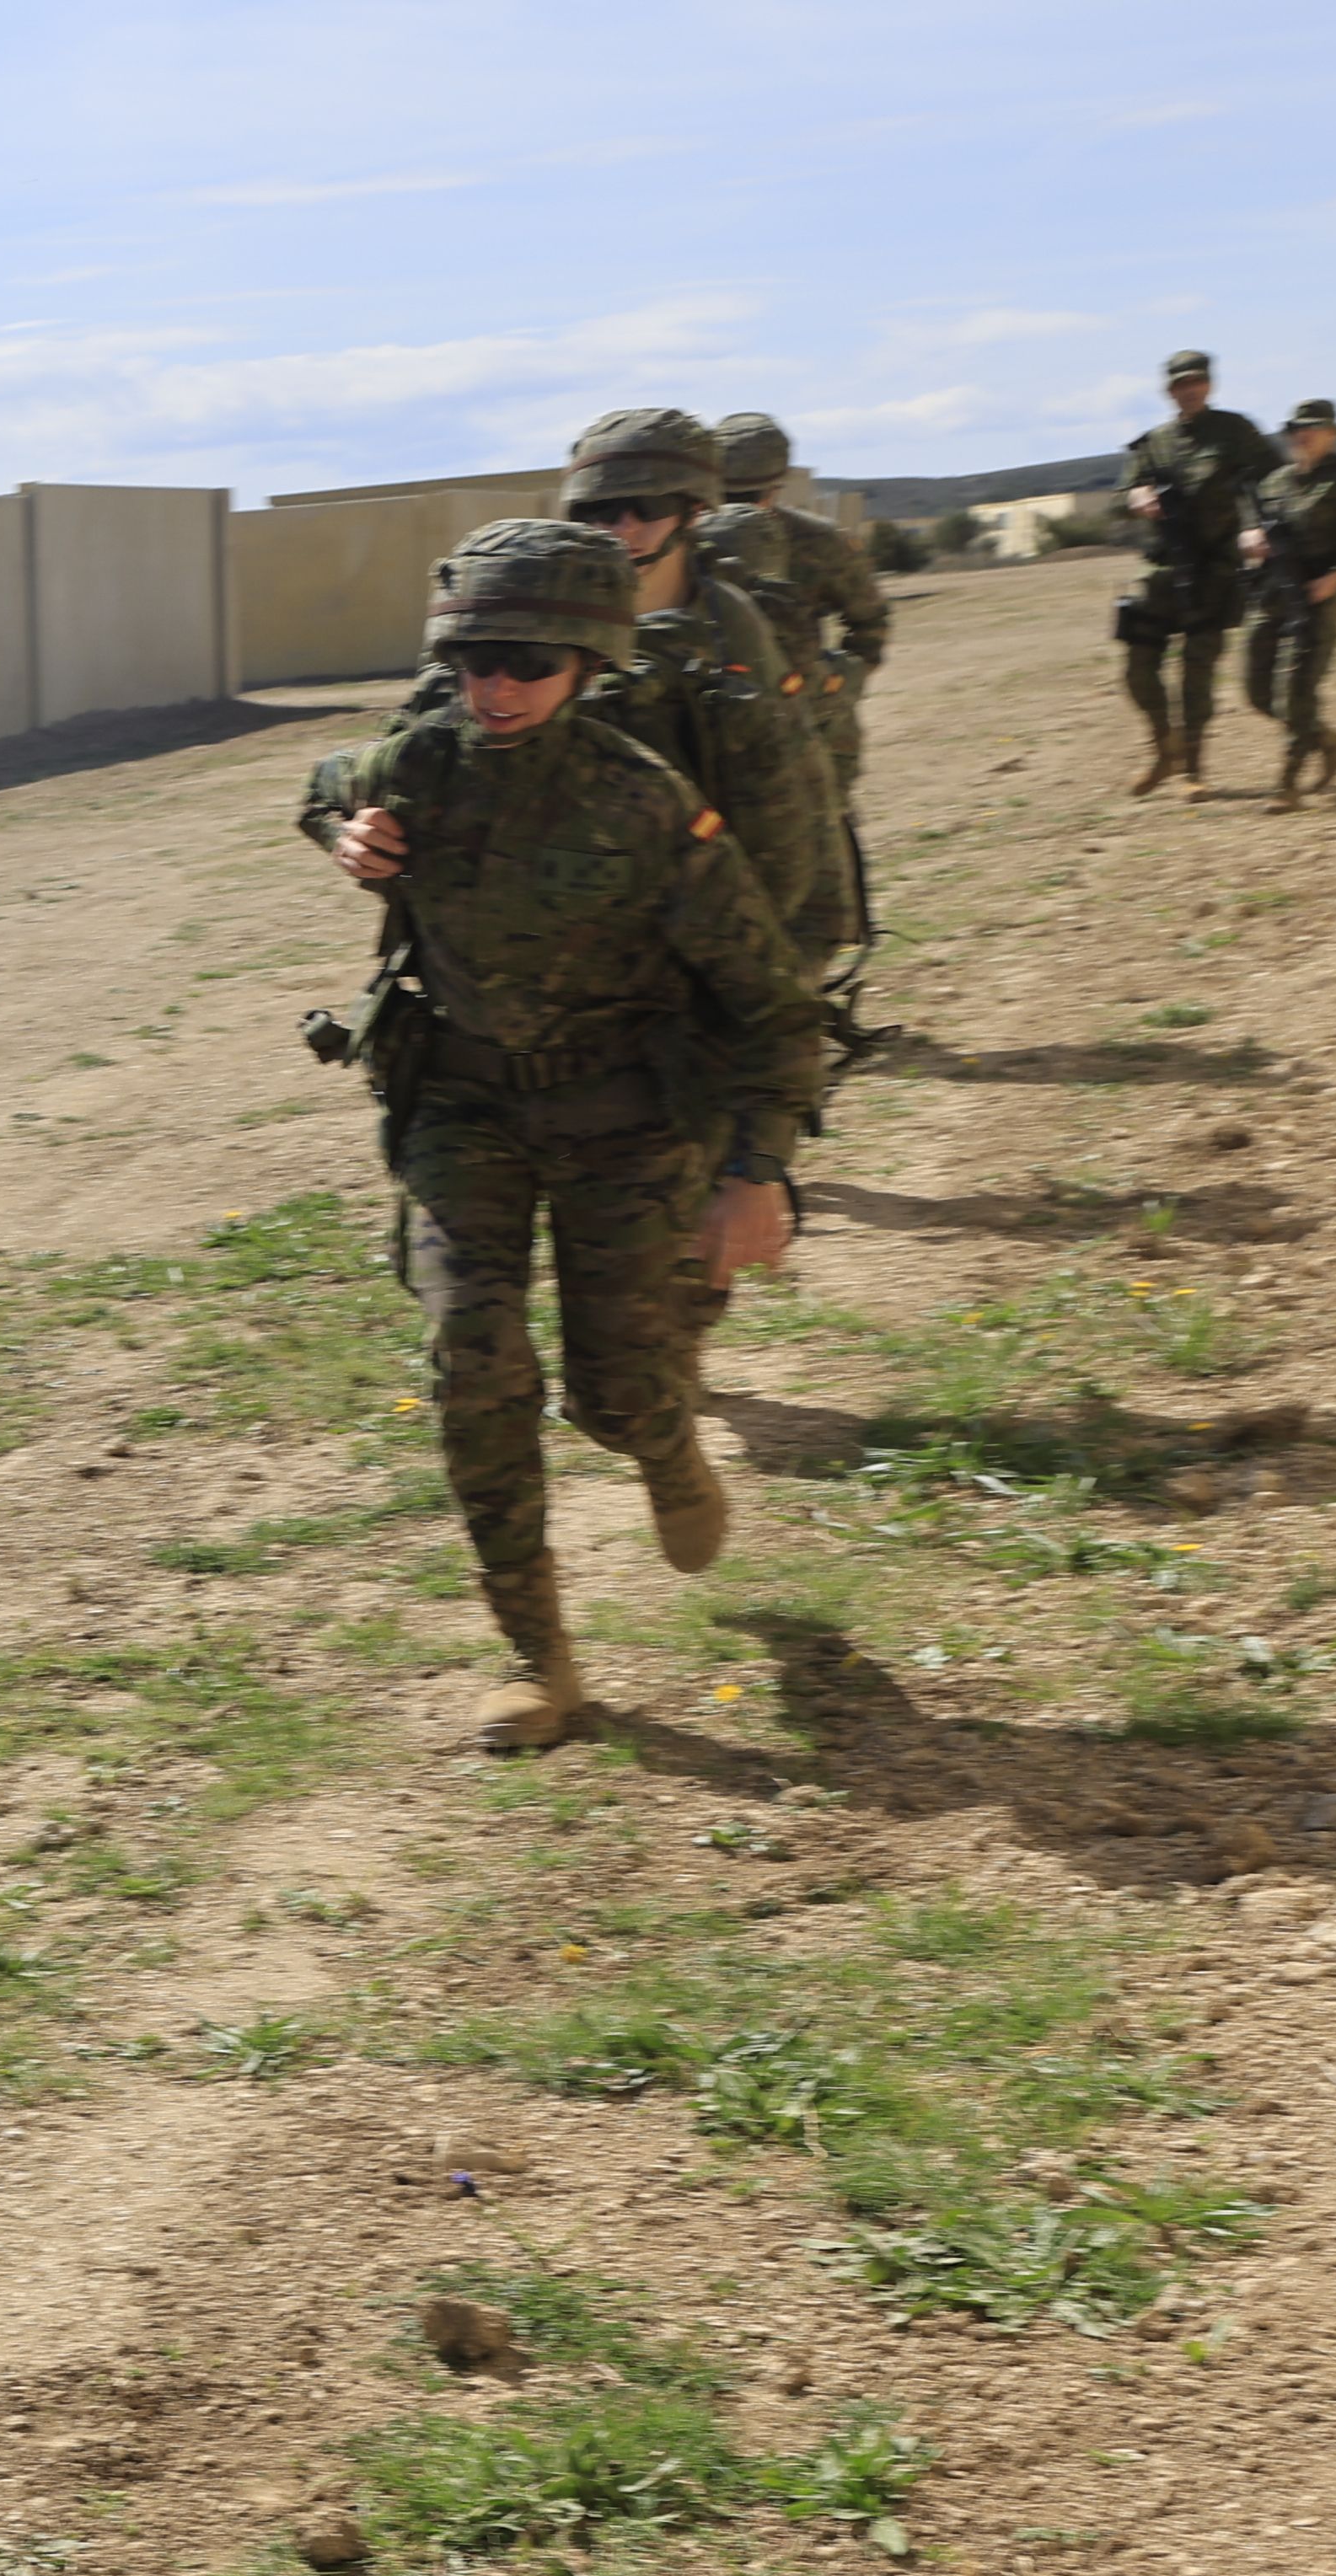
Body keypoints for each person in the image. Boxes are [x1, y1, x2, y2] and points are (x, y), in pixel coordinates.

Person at [300, 522, 832, 1753]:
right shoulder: (423, 762)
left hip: (625, 1123)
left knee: (613, 1392)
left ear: (590, 663)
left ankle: (665, 1446)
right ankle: (542, 1660)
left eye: (529, 662)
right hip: (463, 1109)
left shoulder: (649, 805)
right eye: (476, 656)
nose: (497, 686)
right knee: (471, 1358)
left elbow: (772, 1005)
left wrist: (754, 1171)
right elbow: (331, 778)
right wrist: (341, 828)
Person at [532, 409, 854, 972]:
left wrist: (802, 960)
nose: (622, 528)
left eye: (646, 509)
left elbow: (801, 792)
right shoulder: (533, 618)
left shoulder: (741, 623)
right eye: (599, 511)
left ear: (693, 511)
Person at [702, 412, 894, 801]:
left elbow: (869, 622)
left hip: (810, 726)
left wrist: (833, 685)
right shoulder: (681, 542)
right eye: (728, 497)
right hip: (714, 723)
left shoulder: (818, 541)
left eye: (747, 496)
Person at [1117, 353, 1280, 797]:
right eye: (1180, 384)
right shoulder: (1154, 443)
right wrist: (1136, 495)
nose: (1189, 390)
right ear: (1169, 391)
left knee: (1197, 672)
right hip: (1161, 572)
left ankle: (1193, 768)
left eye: (1197, 382)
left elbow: (1275, 481)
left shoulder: (1235, 431)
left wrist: (1255, 525)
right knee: (1137, 668)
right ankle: (1164, 747)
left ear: (1208, 386)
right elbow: (1122, 495)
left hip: (1215, 570)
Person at [1241, 400, 1336, 808]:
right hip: (1270, 598)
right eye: (1297, 429)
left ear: (1332, 434)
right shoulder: (1274, 483)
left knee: (1296, 694)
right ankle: (1332, 743)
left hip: (1316, 600)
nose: (1303, 435)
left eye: (1313, 428)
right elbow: (1254, 528)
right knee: (1257, 694)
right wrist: (1250, 539)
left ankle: (1287, 785)